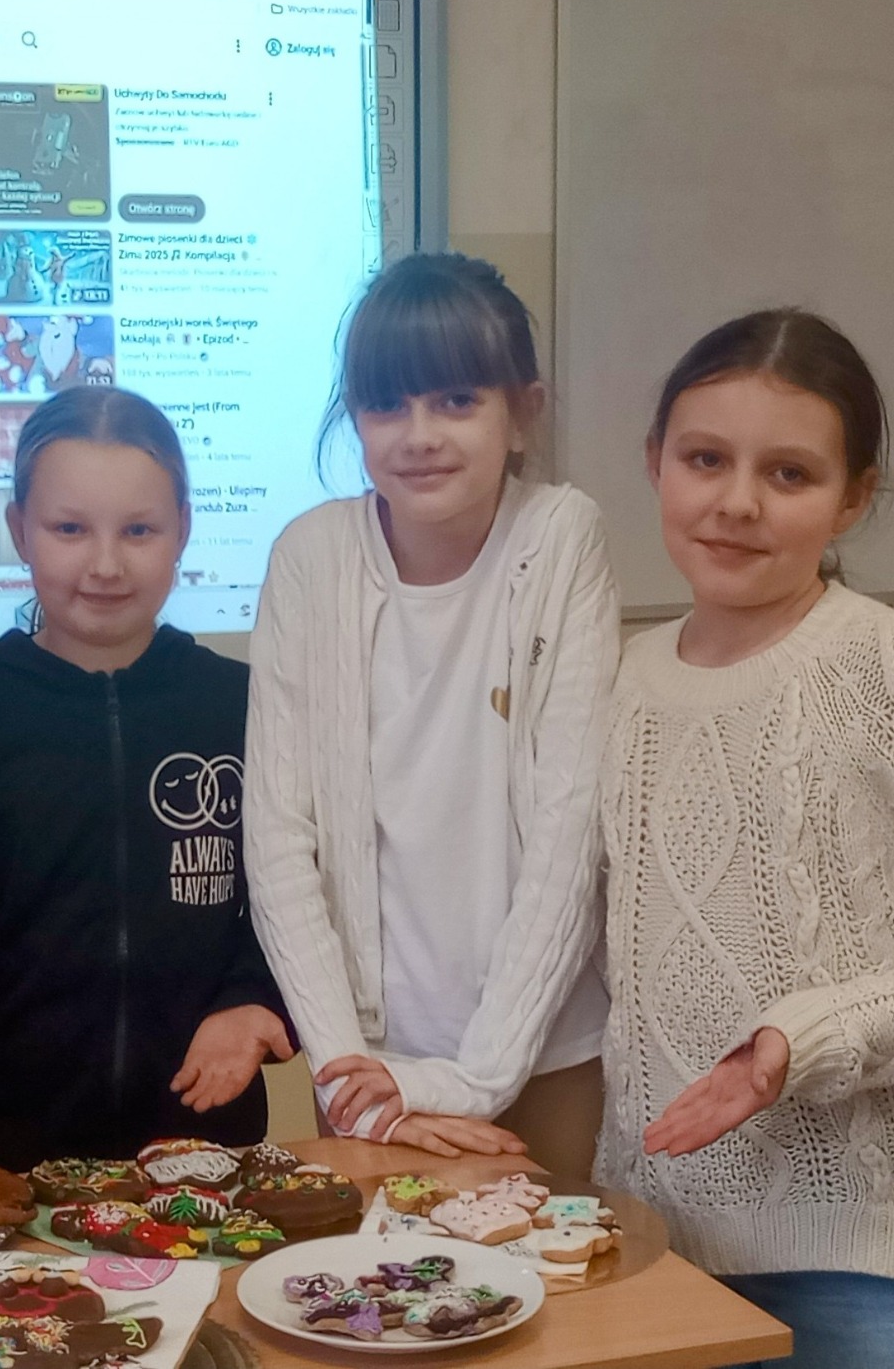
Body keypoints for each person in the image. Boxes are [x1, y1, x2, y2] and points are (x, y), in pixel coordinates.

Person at [597, 309, 894, 1369]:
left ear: (853, 498)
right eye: (705, 459)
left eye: (789, 473)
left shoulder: (892, 666)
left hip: (875, 1263)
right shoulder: (620, 679)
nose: (737, 501)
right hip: (663, 1246)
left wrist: (805, 1037)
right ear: (654, 462)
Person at [243, 252, 618, 1173]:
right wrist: (347, 1075)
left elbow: (571, 833)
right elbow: (280, 841)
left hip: (543, 1052)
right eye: (387, 404)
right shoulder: (309, 558)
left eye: (455, 400)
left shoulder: (561, 537)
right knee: (377, 1269)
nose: (419, 435)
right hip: (371, 1068)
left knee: (559, 1263)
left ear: (522, 412)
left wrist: (474, 1080)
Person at [0, 386, 291, 1170]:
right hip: (9, 1161)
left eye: (139, 530)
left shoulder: (242, 706)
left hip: (205, 1146)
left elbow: (295, 893)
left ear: (183, 529)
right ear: (18, 529)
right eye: (69, 529)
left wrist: (253, 998)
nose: (106, 564)